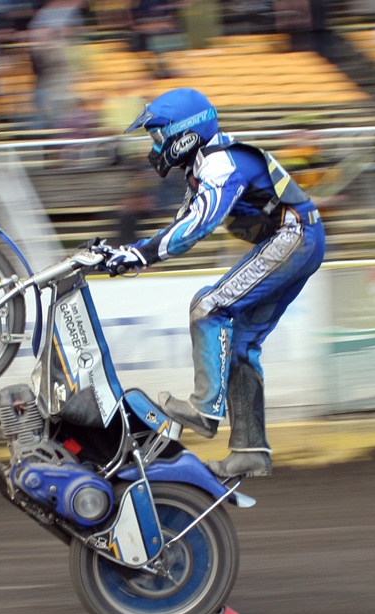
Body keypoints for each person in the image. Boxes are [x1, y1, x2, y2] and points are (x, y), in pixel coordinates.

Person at [111, 88, 325, 478]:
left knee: (208, 307)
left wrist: (143, 255)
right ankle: (250, 451)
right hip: (297, 237)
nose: (154, 146)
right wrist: (134, 253)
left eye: (158, 136)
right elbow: (183, 223)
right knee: (241, 345)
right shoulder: (203, 166)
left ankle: (204, 409)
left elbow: (199, 224)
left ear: (184, 133)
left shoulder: (219, 164)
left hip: (295, 235)